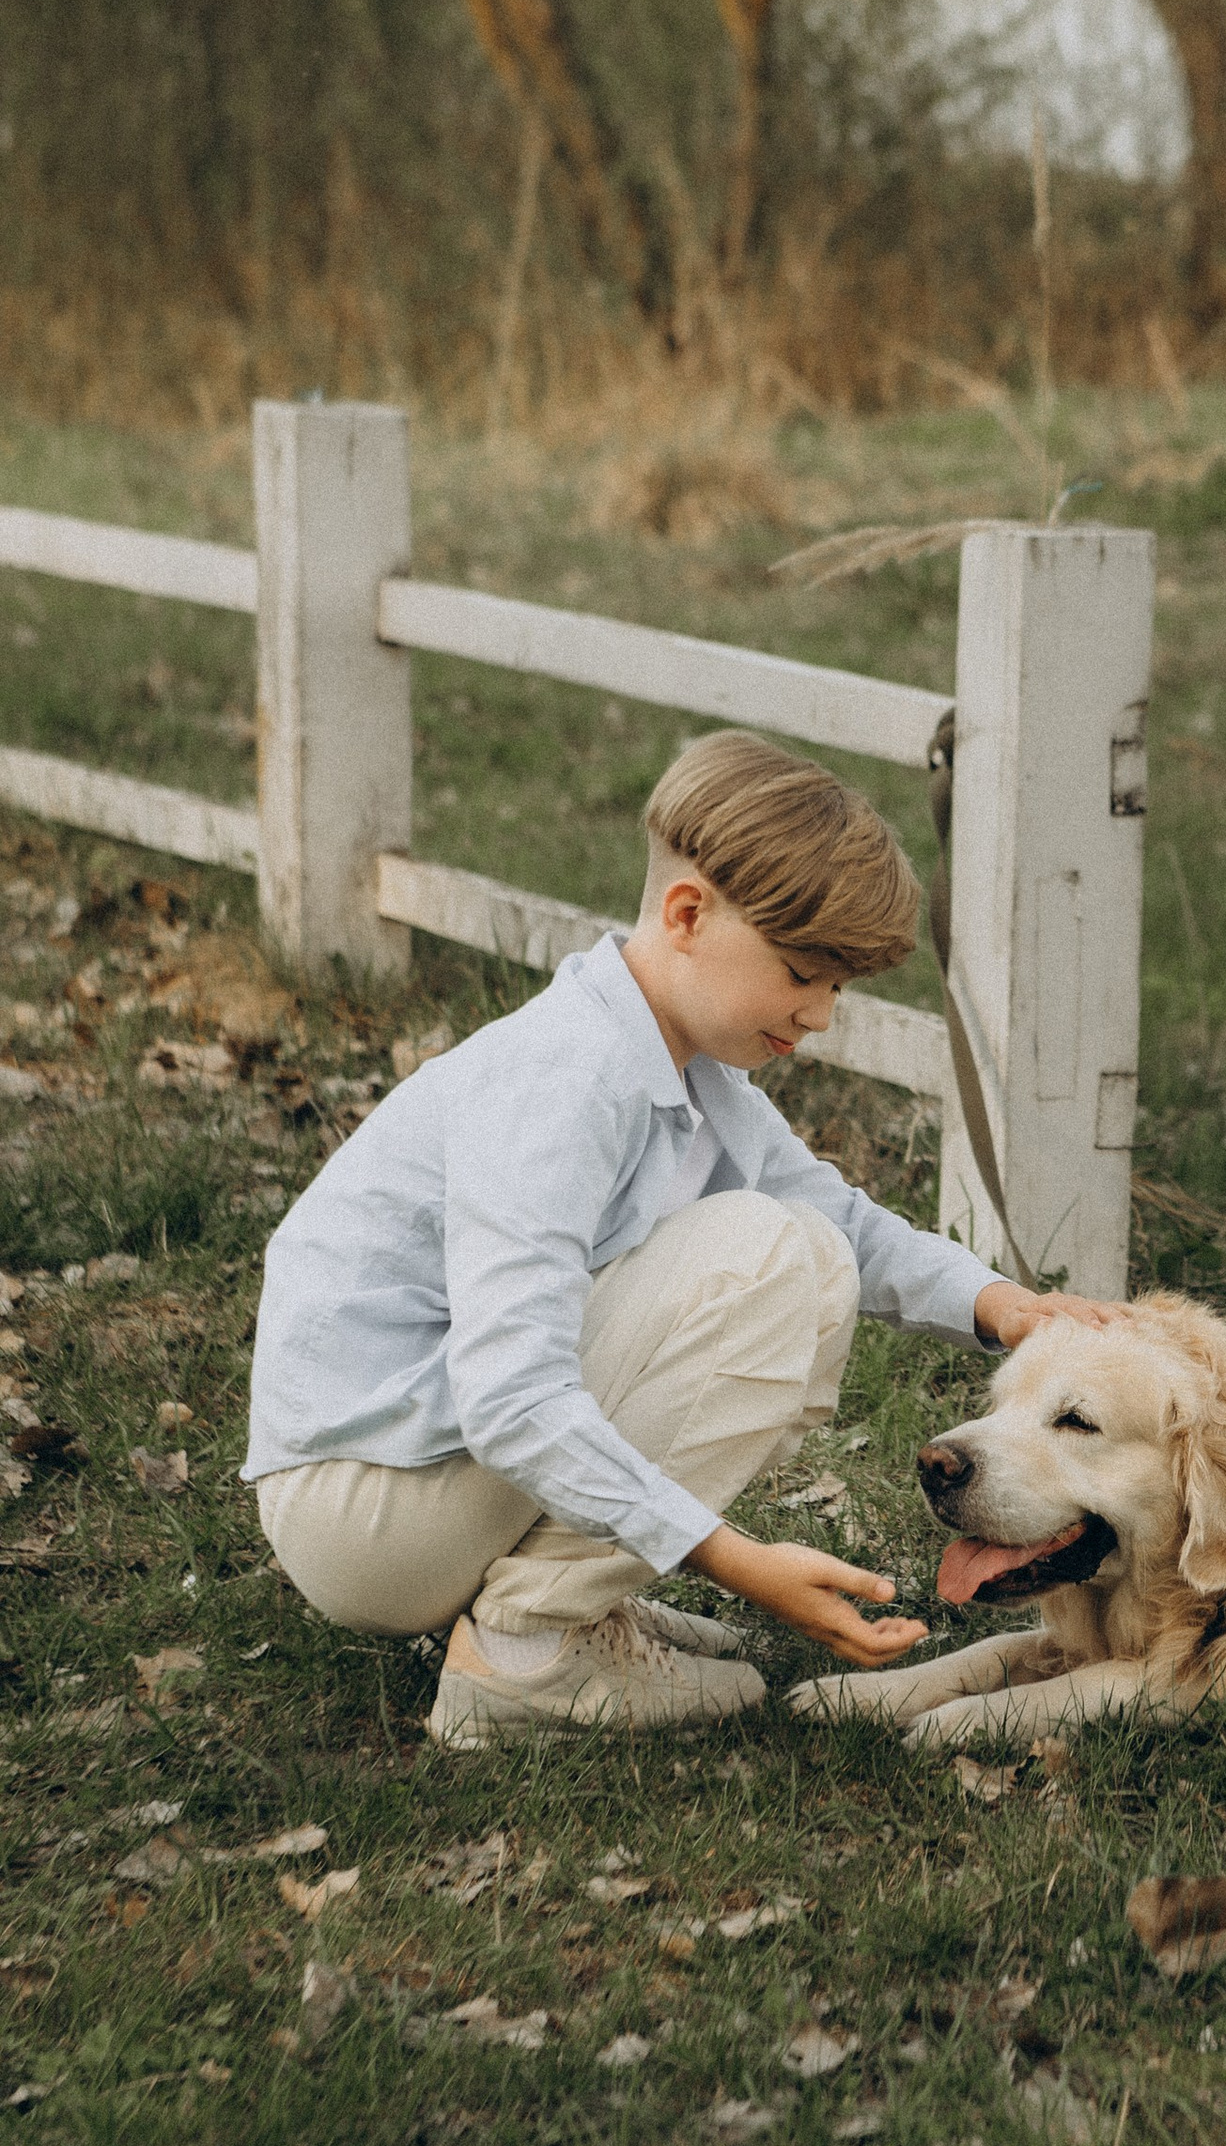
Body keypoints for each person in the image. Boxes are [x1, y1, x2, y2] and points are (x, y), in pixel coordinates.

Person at [245, 728, 1105, 1749]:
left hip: (419, 1477)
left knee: (810, 1250)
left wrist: (996, 1303)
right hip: (366, 1510)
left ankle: (563, 1594)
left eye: (839, 988)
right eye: (802, 973)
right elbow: (509, 1392)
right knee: (774, 1260)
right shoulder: (564, 1083)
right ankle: (523, 1654)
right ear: (688, 913)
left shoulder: (682, 1067)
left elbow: (841, 1219)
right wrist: (731, 1557)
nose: (822, 1015)